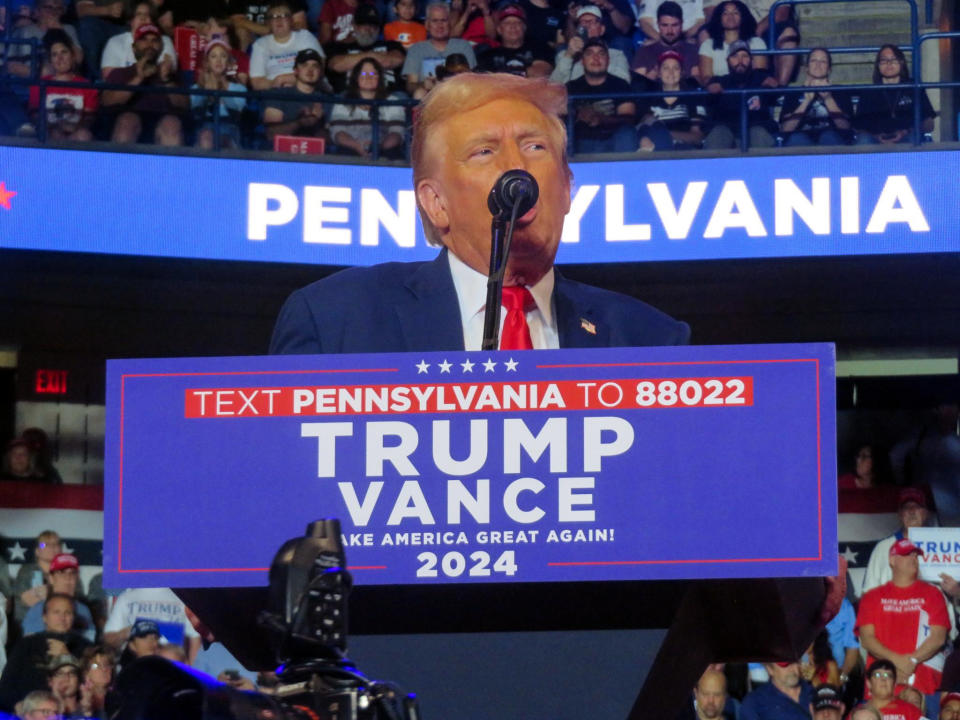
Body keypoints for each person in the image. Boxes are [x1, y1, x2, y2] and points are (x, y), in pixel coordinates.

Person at [269, 72, 689, 355]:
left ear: (565, 189)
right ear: (435, 203)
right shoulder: (334, 321)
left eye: (534, 147)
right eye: (484, 151)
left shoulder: (650, 340)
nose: (516, 168)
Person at [856, 539, 950, 696]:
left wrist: (912, 661)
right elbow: (867, 639)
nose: (913, 558)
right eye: (907, 555)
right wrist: (898, 662)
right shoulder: (872, 597)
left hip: (924, 686)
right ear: (892, 560)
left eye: (915, 555)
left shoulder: (933, 594)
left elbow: (938, 637)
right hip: (882, 688)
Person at [0, 594, 92, 711]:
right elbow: (6, 686)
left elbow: (90, 684)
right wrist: (17, 706)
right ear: (44, 617)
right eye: (56, 612)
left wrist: (67, 657)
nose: (62, 618)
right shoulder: (26, 645)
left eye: (67, 613)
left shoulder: (85, 646)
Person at [101, 23, 189, 146]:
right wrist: (139, 78)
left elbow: (184, 105)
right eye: (144, 40)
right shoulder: (120, 73)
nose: (149, 44)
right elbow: (107, 101)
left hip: (162, 125)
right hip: (128, 125)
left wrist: (167, 80)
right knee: (128, 120)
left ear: (160, 47)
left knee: (171, 124)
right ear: (134, 47)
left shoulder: (171, 75)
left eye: (154, 40)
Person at [702, 39, 777, 149]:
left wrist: (774, 86)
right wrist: (710, 91)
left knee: (757, 133)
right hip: (726, 131)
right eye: (735, 57)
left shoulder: (762, 79)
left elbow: (777, 92)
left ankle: (764, 166)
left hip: (756, 129)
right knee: (719, 132)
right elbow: (704, 100)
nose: (740, 61)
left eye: (745, 56)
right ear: (727, 61)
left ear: (751, 60)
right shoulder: (719, 81)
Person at [854, 44, 935, 145]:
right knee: (863, 141)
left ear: (901, 62)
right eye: (884, 60)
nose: (889, 64)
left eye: (893, 59)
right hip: (876, 138)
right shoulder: (869, 91)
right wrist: (877, 136)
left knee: (913, 140)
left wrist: (905, 132)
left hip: (907, 135)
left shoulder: (914, 87)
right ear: (878, 65)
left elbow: (929, 123)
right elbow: (859, 126)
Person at [566, 38, 636, 154]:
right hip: (582, 143)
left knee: (627, 132)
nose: (596, 58)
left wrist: (601, 119)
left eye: (601, 54)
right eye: (589, 54)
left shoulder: (621, 85)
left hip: (614, 141)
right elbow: (560, 117)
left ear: (608, 60)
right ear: (582, 61)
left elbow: (629, 119)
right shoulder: (571, 87)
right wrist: (578, 115)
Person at [25, 31, 97, 142]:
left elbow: (89, 117)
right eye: (54, 54)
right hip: (49, 131)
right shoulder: (40, 84)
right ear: (51, 61)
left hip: (75, 132)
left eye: (64, 52)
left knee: (84, 135)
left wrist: (74, 127)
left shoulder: (85, 85)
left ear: (72, 57)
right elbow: (35, 114)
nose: (60, 58)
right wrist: (52, 128)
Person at [329, 58, 406, 158]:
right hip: (351, 150)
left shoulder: (393, 102)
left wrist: (379, 148)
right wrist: (357, 146)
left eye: (373, 74)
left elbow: (397, 133)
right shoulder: (343, 102)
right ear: (356, 78)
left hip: (384, 151)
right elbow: (338, 133)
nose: (369, 77)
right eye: (364, 74)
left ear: (380, 78)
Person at [861, 487, 930, 596]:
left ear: (926, 513)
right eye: (906, 507)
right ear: (900, 514)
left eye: (917, 507)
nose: (912, 511)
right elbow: (868, 594)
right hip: (892, 612)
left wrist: (956, 590)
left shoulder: (945, 546)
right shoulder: (883, 548)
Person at [102, 588, 201, 663]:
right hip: (136, 668)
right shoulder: (126, 598)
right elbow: (108, 639)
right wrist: (129, 632)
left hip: (172, 669)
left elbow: (195, 639)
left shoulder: (183, 598)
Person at [779, 47, 852, 147]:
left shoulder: (840, 91)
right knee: (796, 140)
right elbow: (785, 129)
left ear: (829, 69)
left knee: (828, 136)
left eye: (823, 61)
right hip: (800, 138)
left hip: (832, 137)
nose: (818, 65)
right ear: (806, 68)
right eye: (813, 60)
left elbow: (846, 127)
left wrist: (828, 99)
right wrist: (806, 101)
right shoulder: (793, 92)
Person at [401, 2, 476, 97]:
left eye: (443, 20)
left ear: (449, 23)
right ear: (427, 24)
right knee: (419, 93)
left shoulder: (463, 46)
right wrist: (423, 84)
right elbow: (410, 85)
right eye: (435, 21)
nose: (439, 25)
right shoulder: (416, 49)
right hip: (428, 97)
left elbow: (473, 79)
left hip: (458, 94)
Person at [325, 4, 406, 94]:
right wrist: (377, 56)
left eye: (373, 25)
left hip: (389, 95)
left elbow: (397, 60)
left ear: (378, 28)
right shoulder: (339, 47)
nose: (368, 29)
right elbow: (336, 65)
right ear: (354, 26)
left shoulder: (392, 45)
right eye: (363, 24)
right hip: (350, 97)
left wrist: (352, 59)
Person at [636, 49, 705, 150]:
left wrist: (663, 134)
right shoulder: (648, 97)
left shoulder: (693, 97)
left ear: (682, 73)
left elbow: (698, 136)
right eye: (666, 68)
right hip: (656, 150)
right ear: (659, 73)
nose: (671, 72)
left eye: (676, 68)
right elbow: (642, 128)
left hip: (685, 150)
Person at [249, 0, 324, 91]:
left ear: (291, 21)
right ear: (268, 23)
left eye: (284, 16)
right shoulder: (260, 44)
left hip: (307, 90)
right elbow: (256, 82)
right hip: (276, 93)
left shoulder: (305, 36)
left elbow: (319, 69)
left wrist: (285, 79)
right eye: (274, 17)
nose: (279, 20)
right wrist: (275, 83)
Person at [22, 554, 96, 642]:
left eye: (72, 574)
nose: (68, 579)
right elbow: (31, 646)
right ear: (51, 578)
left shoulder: (84, 610)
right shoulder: (38, 610)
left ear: (77, 579)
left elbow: (89, 647)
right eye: (61, 573)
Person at [263, 48, 331, 142]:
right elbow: (270, 134)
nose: (310, 70)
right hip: (281, 154)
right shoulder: (278, 95)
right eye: (304, 65)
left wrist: (317, 123)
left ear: (320, 72)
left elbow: (331, 140)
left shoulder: (327, 99)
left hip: (316, 155)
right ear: (296, 71)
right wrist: (300, 123)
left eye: (315, 66)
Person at [190, 37, 248, 149]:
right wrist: (206, 92)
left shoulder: (239, 88)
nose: (218, 60)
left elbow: (236, 112)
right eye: (213, 56)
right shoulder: (196, 87)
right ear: (207, 63)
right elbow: (196, 109)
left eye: (223, 56)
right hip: (204, 127)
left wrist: (221, 89)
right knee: (206, 136)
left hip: (230, 128)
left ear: (229, 62)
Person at [550, 5, 630, 84]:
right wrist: (569, 55)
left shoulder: (616, 55)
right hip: (578, 95)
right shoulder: (566, 55)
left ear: (602, 29)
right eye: (583, 22)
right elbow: (555, 86)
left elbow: (624, 83)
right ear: (577, 30)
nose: (587, 26)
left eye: (592, 22)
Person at [100, 2, 176, 79]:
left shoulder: (165, 41)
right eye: (138, 14)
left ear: (153, 21)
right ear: (130, 20)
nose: (143, 18)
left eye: (147, 15)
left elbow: (169, 70)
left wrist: (166, 68)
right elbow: (108, 76)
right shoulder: (115, 42)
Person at [476, 4, 553, 78]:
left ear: (524, 27)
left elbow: (540, 73)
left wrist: (500, 75)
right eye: (507, 23)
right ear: (499, 29)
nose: (513, 26)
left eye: (517, 22)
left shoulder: (540, 49)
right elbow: (483, 79)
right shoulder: (487, 55)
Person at [632, 1, 701, 82]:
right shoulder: (645, 52)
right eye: (664, 25)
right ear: (658, 24)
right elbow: (637, 86)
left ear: (682, 24)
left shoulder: (693, 51)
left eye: (675, 25)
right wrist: (650, 78)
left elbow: (699, 84)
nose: (670, 31)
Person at [698, 0, 766, 80]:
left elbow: (761, 76)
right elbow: (706, 78)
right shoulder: (708, 45)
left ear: (743, 17)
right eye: (725, 13)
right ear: (719, 18)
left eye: (736, 13)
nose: (730, 16)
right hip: (720, 91)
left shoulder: (756, 42)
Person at [12, 530, 61, 623]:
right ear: (37, 551)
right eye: (44, 545)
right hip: (28, 623)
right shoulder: (26, 571)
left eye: (55, 544)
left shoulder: (67, 572)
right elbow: (27, 599)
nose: (51, 547)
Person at [740, 660, 815, 719]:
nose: (791, 668)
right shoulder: (754, 703)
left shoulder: (815, 693)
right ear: (770, 669)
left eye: (793, 661)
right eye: (784, 664)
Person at [638, 0, 706, 45]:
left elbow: (701, 22)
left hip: (688, 40)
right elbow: (644, 22)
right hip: (657, 39)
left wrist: (681, 38)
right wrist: (662, 40)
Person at [78, 646, 116, 719]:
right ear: (86, 673)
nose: (104, 669)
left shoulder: (120, 699)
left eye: (107, 664)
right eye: (96, 665)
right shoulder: (79, 705)